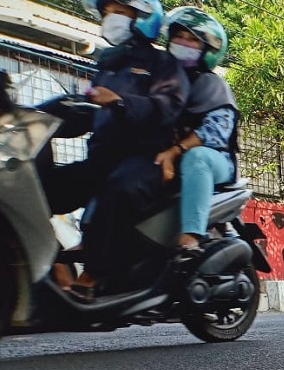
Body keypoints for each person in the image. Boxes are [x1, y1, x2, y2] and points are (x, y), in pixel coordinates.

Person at [44, 0, 189, 299]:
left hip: (146, 158)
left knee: (116, 190)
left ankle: (94, 274)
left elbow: (166, 107)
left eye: (120, 11)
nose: (112, 17)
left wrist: (120, 102)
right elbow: (88, 109)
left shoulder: (163, 64)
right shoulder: (109, 65)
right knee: (42, 191)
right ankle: (54, 266)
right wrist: (46, 116)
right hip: (102, 159)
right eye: (108, 11)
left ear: (143, 18)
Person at [154, 7, 239, 253]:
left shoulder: (212, 84)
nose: (184, 43)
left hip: (215, 162)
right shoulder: (161, 81)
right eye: (179, 36)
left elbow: (214, 132)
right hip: (167, 161)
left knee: (197, 157)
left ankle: (191, 236)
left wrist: (175, 150)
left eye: (192, 39)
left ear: (206, 49)